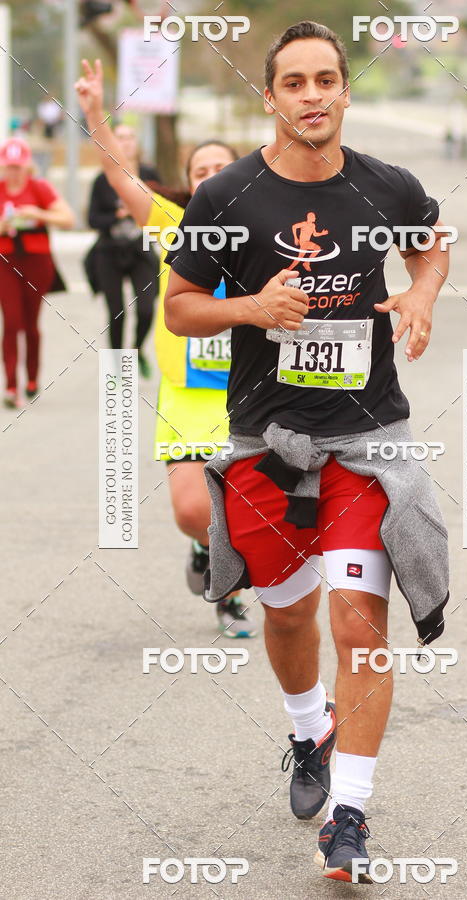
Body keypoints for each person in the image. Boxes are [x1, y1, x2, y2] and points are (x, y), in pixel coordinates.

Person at [164, 20, 451, 883]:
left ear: (345, 91)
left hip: (365, 442)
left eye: (328, 79)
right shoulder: (228, 199)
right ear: (272, 97)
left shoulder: (387, 186)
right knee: (287, 612)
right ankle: (307, 729)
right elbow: (180, 306)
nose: (314, 94)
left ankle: (351, 818)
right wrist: (250, 309)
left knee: (358, 621)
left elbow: (434, 241)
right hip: (265, 442)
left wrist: (420, 295)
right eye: (296, 82)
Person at [75, 58, 256, 639]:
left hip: (255, 394)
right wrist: (96, 115)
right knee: (190, 510)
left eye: (220, 167)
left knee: (252, 509)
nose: (208, 175)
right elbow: (122, 177)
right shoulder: (174, 226)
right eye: (199, 169)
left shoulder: (269, 229)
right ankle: (207, 551)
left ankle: (231, 595)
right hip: (190, 395)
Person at [0, 137, 74, 407]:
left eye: (18, 166)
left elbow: (67, 219)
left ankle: (32, 378)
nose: (13, 172)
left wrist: (37, 214)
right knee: (11, 321)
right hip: (6, 261)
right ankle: (10, 386)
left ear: (27, 166)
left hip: (36, 261)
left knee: (31, 323)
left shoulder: (39, 188)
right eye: (9, 166)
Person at [87, 121, 159, 377]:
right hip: (109, 250)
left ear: (137, 144)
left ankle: (138, 349)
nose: (125, 142)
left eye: (130, 137)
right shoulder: (102, 180)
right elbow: (93, 220)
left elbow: (164, 209)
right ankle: (116, 369)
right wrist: (118, 214)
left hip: (140, 248)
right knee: (116, 311)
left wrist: (142, 210)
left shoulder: (149, 174)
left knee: (147, 308)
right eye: (120, 138)